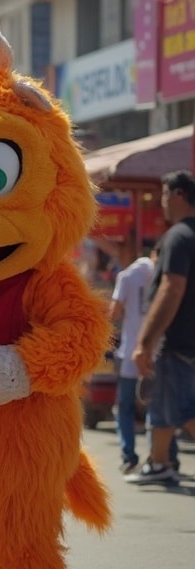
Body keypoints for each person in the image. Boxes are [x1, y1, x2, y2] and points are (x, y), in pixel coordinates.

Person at [127, 170, 195, 484]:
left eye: (166, 195)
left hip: (180, 341)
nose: (163, 202)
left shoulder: (179, 236)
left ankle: (160, 462)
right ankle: (160, 462)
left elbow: (172, 289)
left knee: (182, 410)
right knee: (166, 406)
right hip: (186, 342)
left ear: (179, 194)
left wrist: (145, 341)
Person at [110, 240, 179, 474]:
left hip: (131, 351)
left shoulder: (128, 276)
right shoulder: (171, 276)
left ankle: (129, 457)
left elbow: (115, 312)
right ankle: (167, 456)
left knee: (126, 407)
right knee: (160, 406)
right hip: (160, 351)